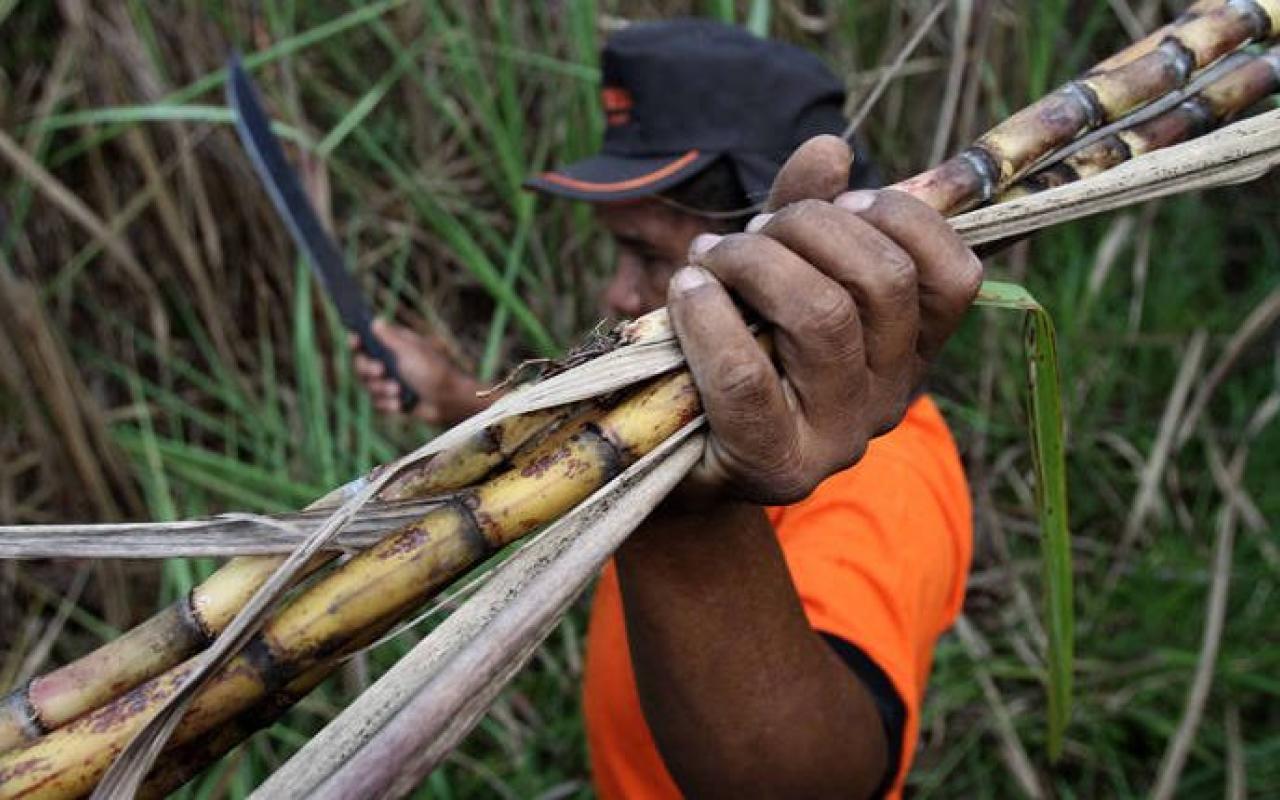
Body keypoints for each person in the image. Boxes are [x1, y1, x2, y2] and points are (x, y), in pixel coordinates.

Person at [355, 19, 979, 799]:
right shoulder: (685, 424)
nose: (616, 293)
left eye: (648, 254)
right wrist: (452, 393)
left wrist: (686, 520)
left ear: (783, 256)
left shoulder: (880, 476)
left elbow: (814, 781)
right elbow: (590, 452)